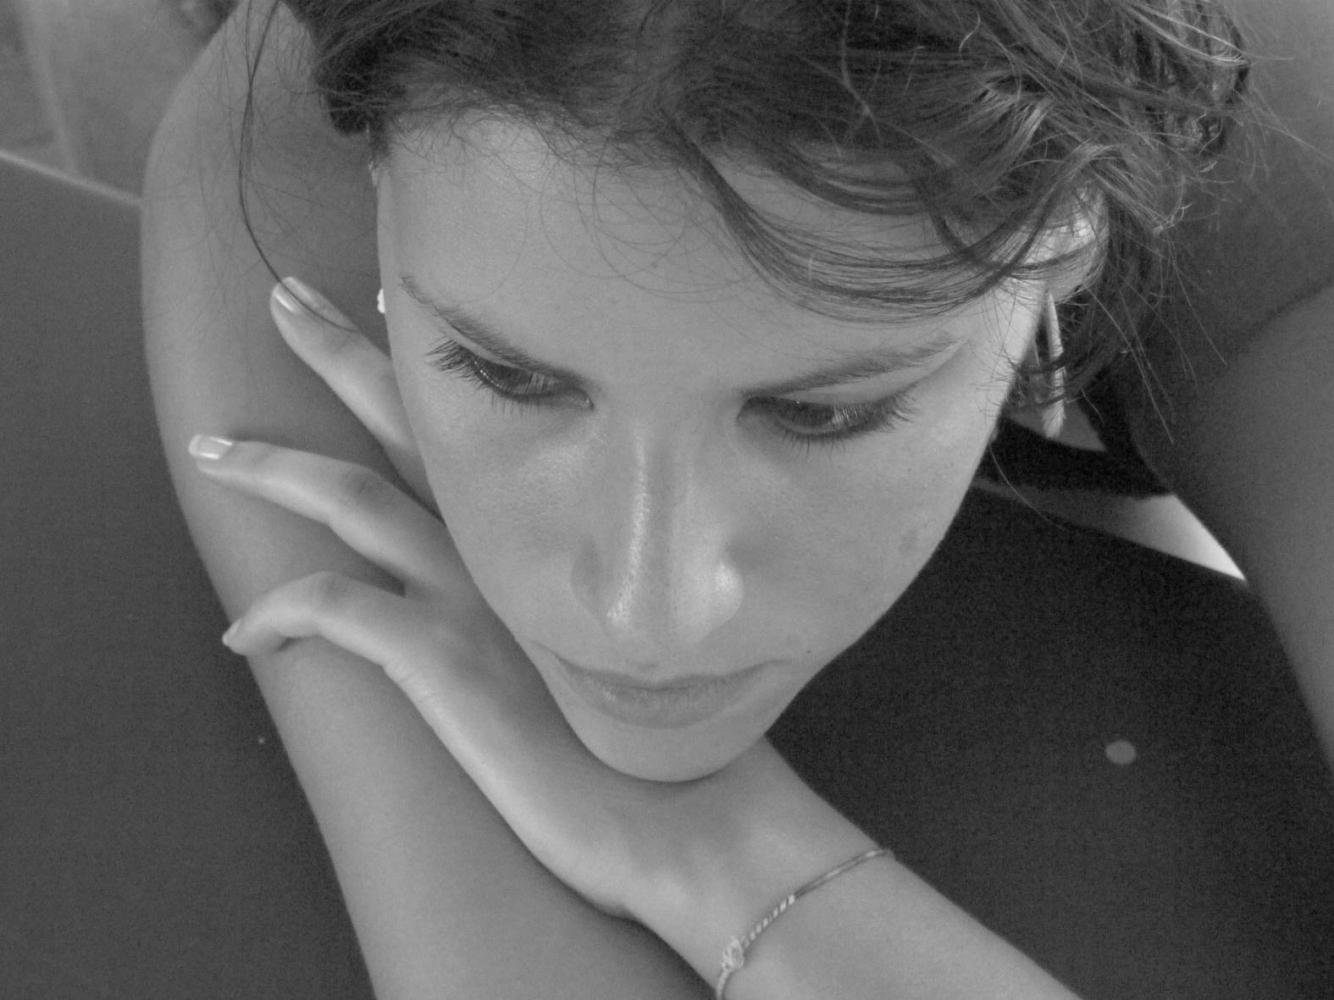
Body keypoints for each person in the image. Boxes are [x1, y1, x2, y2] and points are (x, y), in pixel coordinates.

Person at [140, 1, 1333, 996]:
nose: (642, 619)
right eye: (506, 374)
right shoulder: (310, 142)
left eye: (819, 412)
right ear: (377, 178)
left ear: (1068, 233)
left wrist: (735, 860)